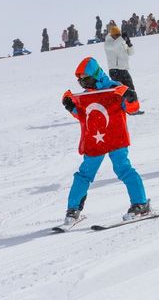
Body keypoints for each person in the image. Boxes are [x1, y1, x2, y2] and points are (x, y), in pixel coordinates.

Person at [60, 57, 148, 225]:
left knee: (123, 169)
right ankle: (73, 209)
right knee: (84, 174)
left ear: (96, 75)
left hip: (115, 137)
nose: (83, 84)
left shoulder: (115, 89)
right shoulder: (87, 95)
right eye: (80, 81)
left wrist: (130, 98)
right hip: (96, 140)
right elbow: (84, 117)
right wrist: (71, 107)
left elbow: (133, 109)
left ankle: (140, 204)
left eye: (85, 79)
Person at [104, 25, 137, 90]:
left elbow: (131, 53)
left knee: (130, 88)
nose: (118, 36)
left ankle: (133, 100)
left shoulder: (121, 42)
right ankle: (122, 100)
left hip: (124, 69)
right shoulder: (108, 43)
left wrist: (129, 44)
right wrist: (122, 38)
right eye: (117, 35)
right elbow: (114, 46)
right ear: (112, 35)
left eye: (119, 34)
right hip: (114, 70)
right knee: (120, 90)